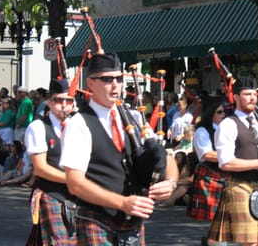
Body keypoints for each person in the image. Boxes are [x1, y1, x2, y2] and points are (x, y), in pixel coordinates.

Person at [60, 53, 177, 246]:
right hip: (96, 221)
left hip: (133, 225)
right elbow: (75, 183)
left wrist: (171, 182)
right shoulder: (79, 124)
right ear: (90, 83)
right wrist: (122, 203)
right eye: (107, 79)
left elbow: (165, 156)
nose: (116, 85)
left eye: (119, 78)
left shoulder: (135, 118)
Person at [207, 78, 258, 246]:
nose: (253, 98)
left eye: (255, 94)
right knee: (250, 243)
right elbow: (226, 163)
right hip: (239, 186)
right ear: (236, 97)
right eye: (247, 94)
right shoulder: (228, 125)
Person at [24, 78, 77, 245]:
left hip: (78, 195)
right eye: (59, 100)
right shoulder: (38, 127)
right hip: (51, 193)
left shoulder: (78, 127)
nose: (64, 105)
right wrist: (74, 179)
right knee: (58, 242)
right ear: (49, 102)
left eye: (68, 100)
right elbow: (40, 168)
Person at [187, 101, 228, 245]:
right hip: (211, 176)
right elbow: (205, 154)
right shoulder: (203, 131)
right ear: (210, 113)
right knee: (218, 218)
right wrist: (231, 157)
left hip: (228, 176)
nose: (223, 115)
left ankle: (212, 241)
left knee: (226, 218)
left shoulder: (227, 129)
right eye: (219, 112)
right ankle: (214, 241)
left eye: (224, 112)